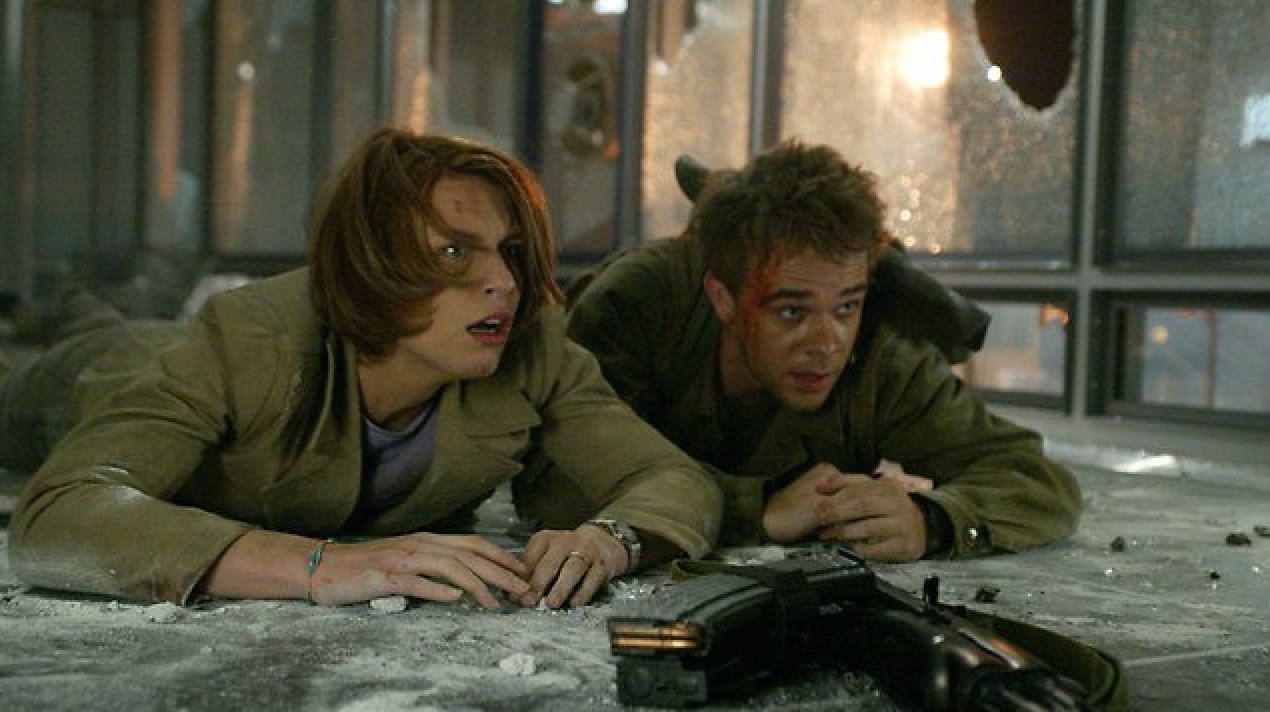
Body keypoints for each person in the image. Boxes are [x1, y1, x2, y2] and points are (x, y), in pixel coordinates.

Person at [2, 128, 722, 609]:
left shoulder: (531, 348)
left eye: (508, 251)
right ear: (373, 265)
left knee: (102, 319)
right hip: (92, 382)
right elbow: (56, 514)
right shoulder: (249, 338)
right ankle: (71, 313)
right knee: (49, 363)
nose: (504, 282)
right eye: (453, 252)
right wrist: (322, 565)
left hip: (167, 347)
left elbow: (671, 478)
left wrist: (611, 539)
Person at [533, 138, 1081, 562]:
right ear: (723, 298)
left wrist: (932, 521)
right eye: (791, 312)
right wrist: (757, 509)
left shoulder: (881, 352)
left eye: (846, 306)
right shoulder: (639, 305)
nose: (826, 344)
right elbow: (553, 482)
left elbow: (1035, 480)